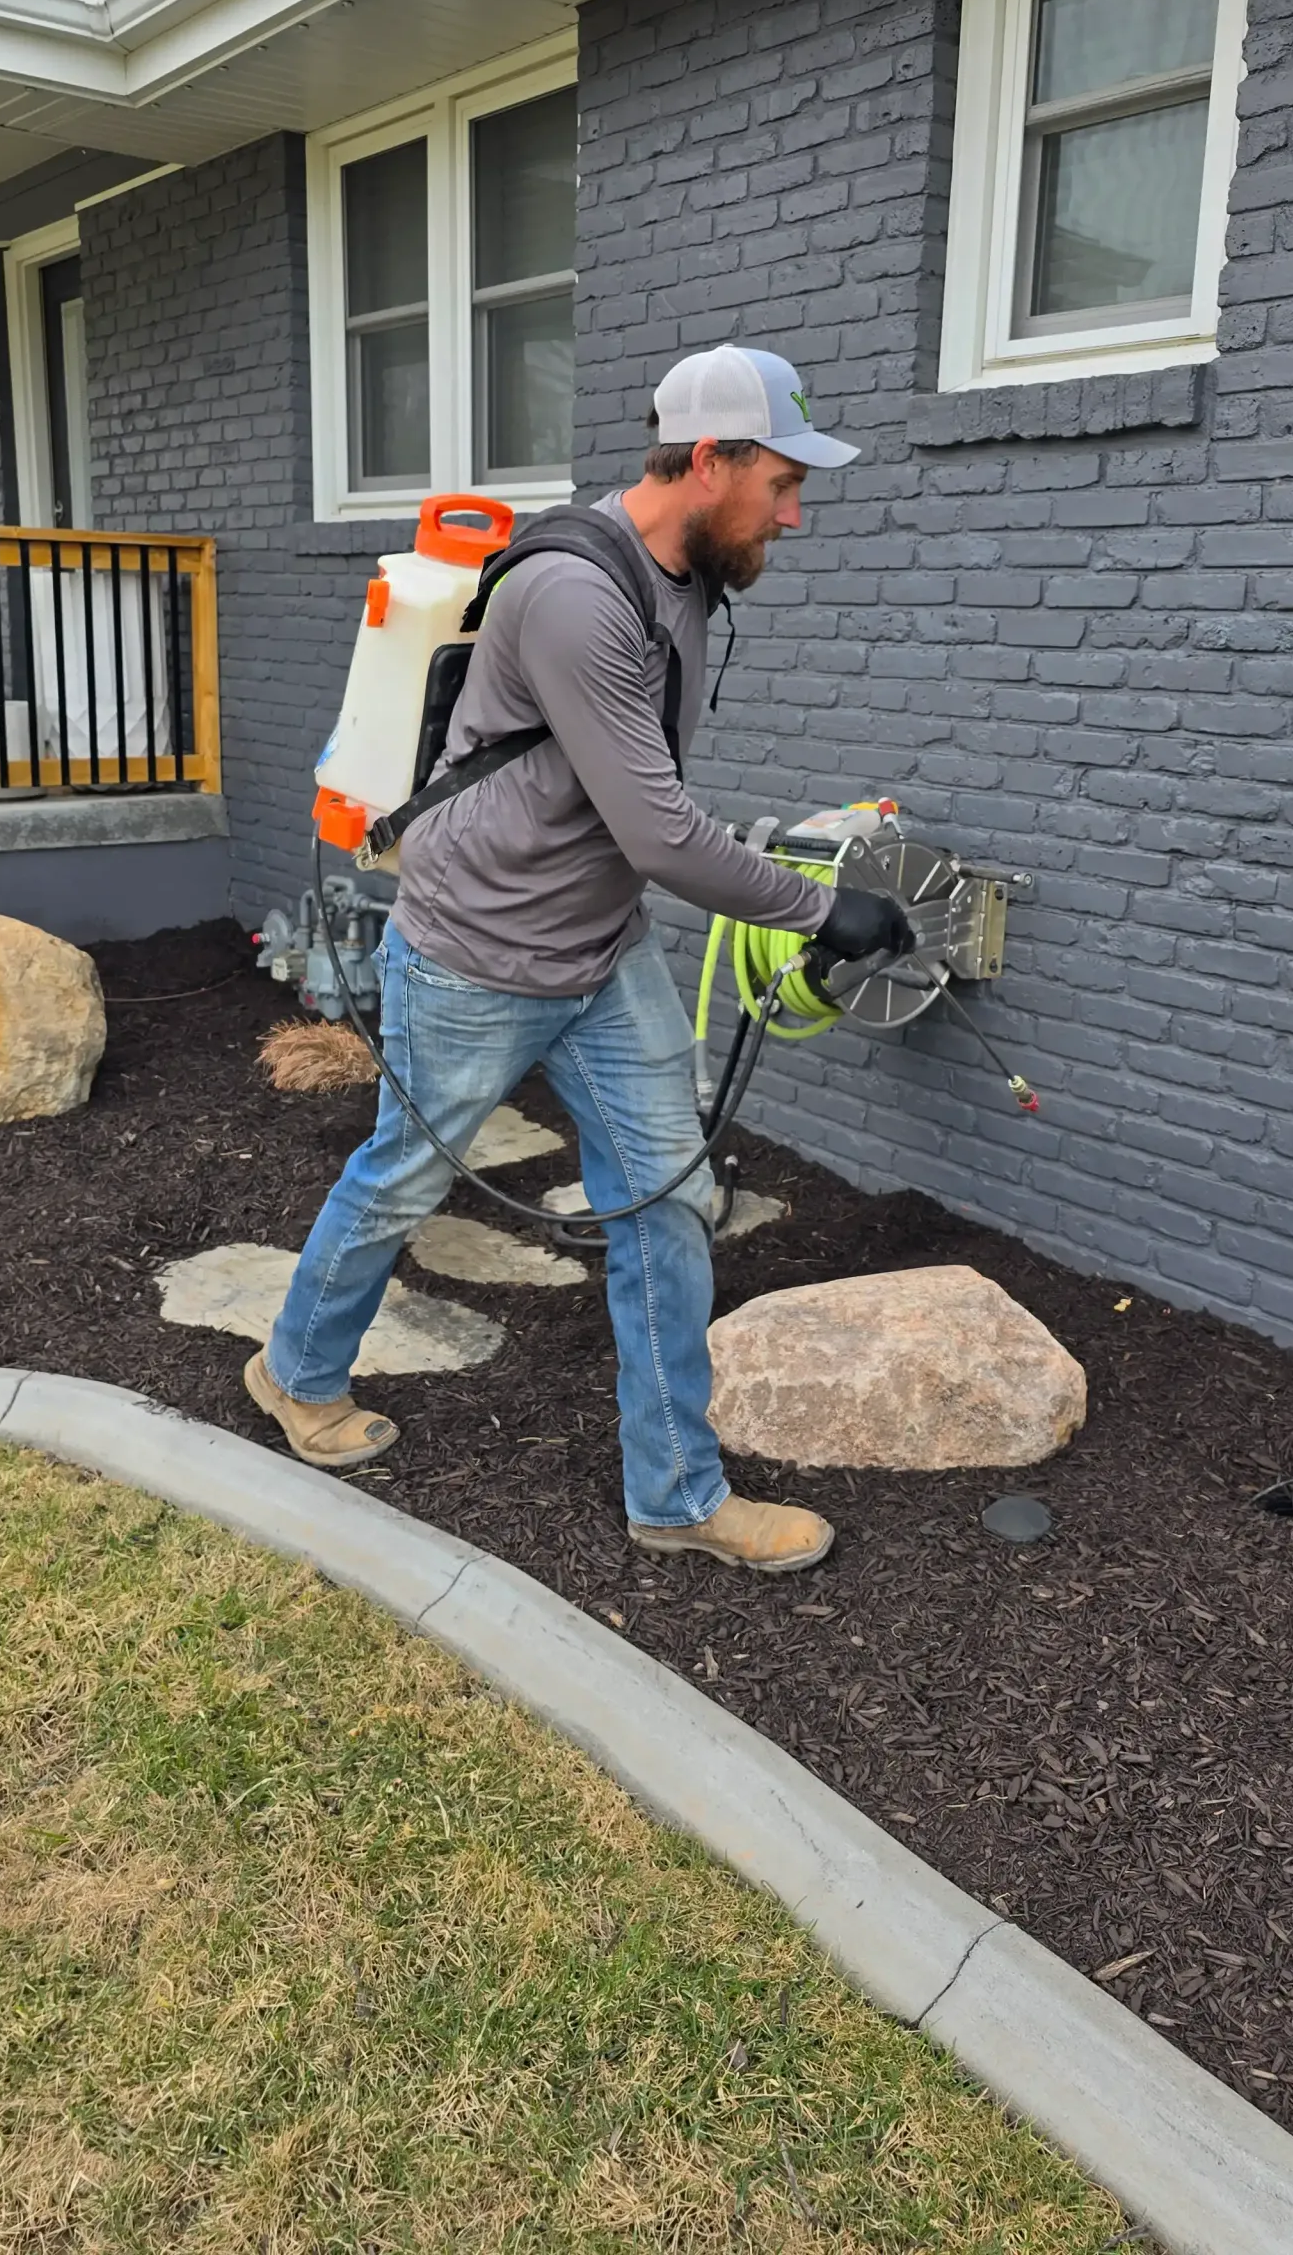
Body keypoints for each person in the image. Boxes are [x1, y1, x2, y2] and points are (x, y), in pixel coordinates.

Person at [247, 345, 914, 1573]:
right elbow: (661, 834)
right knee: (402, 1177)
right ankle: (294, 1372)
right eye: (779, 480)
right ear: (708, 460)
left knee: (667, 1199)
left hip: (598, 950)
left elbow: (638, 804)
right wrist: (820, 909)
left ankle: (676, 1494)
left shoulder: (692, 583)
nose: (795, 510)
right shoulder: (576, 596)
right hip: (477, 951)